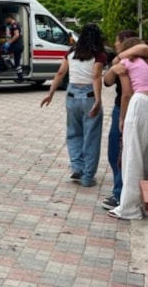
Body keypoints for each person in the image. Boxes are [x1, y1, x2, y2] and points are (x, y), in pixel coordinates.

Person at [40, 23, 107, 187]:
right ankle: (87, 177)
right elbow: (96, 76)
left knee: (73, 133)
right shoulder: (99, 54)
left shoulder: (71, 52)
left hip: (71, 95)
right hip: (89, 95)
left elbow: (61, 72)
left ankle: (77, 167)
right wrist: (98, 100)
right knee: (91, 136)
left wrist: (51, 93)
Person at [106, 37, 148, 220]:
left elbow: (126, 93)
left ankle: (129, 208)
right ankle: (144, 204)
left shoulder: (127, 61)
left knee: (131, 156)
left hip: (140, 103)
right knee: (146, 156)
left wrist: (122, 118)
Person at [1, 14, 25, 82]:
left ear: (9, 18)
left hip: (17, 46)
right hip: (20, 46)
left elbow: (16, 35)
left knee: (2, 50)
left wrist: (9, 43)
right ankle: (21, 78)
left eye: (6, 19)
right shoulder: (15, 24)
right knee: (17, 63)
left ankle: (10, 65)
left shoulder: (14, 25)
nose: (5, 21)